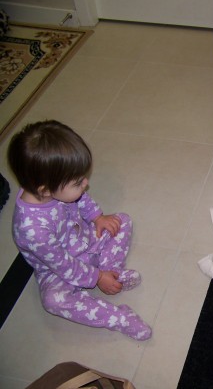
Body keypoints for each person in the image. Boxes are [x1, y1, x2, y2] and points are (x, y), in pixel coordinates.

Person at [7, 120, 151, 340]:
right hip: (58, 269)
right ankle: (119, 317)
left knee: (121, 221)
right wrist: (95, 277)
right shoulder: (32, 230)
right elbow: (63, 264)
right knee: (53, 301)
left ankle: (111, 270)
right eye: (77, 182)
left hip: (85, 240)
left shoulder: (53, 186)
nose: (85, 183)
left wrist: (98, 217)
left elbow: (81, 199)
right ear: (44, 190)